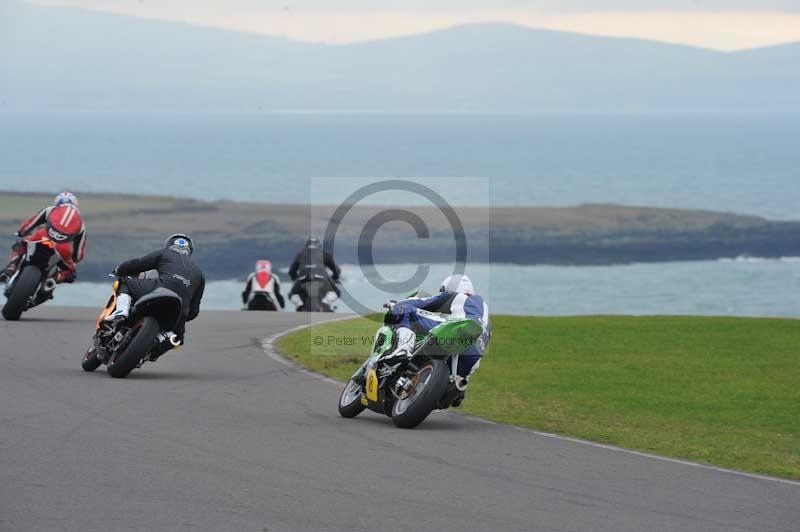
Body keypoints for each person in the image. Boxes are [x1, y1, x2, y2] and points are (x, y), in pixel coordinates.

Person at [383, 274, 491, 407]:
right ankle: (455, 388)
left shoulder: (456, 296)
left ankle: (402, 348)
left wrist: (397, 305)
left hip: (456, 329)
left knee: (406, 311)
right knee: (452, 389)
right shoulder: (486, 318)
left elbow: (423, 303)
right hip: (470, 357)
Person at [107, 234, 205, 344]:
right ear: (190, 251)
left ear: (169, 245)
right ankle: (161, 342)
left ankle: (121, 312)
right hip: (179, 310)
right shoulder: (200, 274)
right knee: (177, 338)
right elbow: (194, 311)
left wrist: (119, 269)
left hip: (158, 289)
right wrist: (182, 315)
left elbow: (138, 264)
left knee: (124, 282)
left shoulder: (166, 253)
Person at [0, 191, 86, 284]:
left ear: (57, 203)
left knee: (20, 243)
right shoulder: (81, 224)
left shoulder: (50, 209)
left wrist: (21, 233)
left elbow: (30, 224)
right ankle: (51, 282)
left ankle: (12, 267)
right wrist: (71, 261)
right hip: (63, 248)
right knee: (70, 273)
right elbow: (78, 255)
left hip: (41, 237)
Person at [288, 236, 341, 306]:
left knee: (291, 294)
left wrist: (295, 279)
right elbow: (336, 270)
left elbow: (291, 271)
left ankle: (299, 303)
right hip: (322, 280)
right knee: (337, 292)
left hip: (303, 279)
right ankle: (327, 301)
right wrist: (334, 278)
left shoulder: (300, 254)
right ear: (319, 246)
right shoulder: (325, 254)